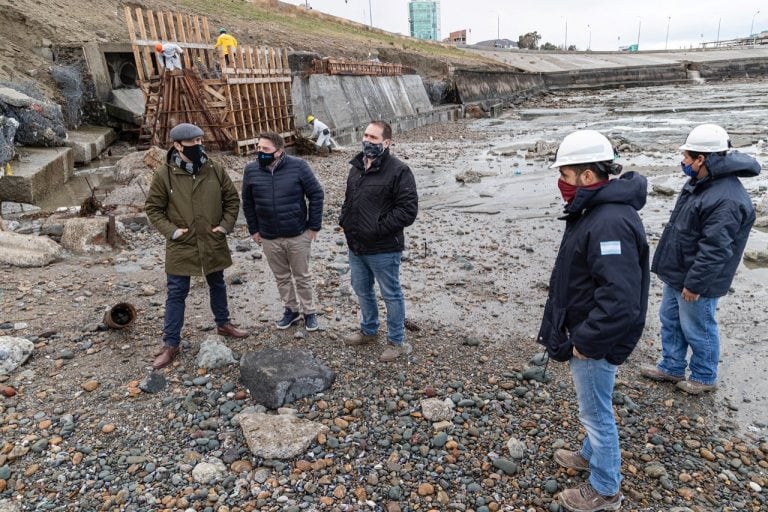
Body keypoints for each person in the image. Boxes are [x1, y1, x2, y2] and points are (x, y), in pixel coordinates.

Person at [537, 130, 649, 512]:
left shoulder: (608, 222)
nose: (561, 182)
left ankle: (605, 489)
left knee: (596, 412)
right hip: (589, 332)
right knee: (596, 404)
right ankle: (589, 454)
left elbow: (619, 300)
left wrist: (585, 340)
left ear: (588, 177)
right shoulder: (598, 211)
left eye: (565, 174)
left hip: (594, 341)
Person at [641, 124, 761, 394]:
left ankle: (704, 376)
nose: (682, 161)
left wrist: (695, 284)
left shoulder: (727, 198)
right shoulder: (700, 181)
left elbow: (716, 249)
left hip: (698, 280)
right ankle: (671, 367)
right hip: (679, 270)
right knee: (670, 319)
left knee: (698, 327)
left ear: (702, 159)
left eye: (686, 156)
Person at [145, 122, 249, 370]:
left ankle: (223, 324)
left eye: (201, 141)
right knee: (176, 293)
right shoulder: (164, 174)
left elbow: (232, 199)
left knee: (218, 283)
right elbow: (153, 209)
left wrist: (224, 226)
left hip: (212, 239)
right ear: (177, 145)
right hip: (182, 244)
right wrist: (172, 232)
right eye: (193, 143)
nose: (199, 146)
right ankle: (171, 344)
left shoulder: (214, 168)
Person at [340, 121, 418, 362]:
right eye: (365, 135)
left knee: (391, 294)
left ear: (386, 143)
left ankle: (397, 342)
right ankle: (369, 330)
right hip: (356, 246)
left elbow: (408, 211)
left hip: (383, 248)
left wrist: (377, 228)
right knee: (362, 290)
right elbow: (349, 200)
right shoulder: (357, 167)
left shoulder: (399, 170)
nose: (367, 141)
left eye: (373, 137)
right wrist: (345, 220)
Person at [242, 132, 324, 331]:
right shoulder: (251, 170)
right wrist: (254, 230)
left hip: (297, 234)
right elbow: (248, 202)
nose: (260, 152)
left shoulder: (298, 166)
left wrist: (313, 226)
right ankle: (291, 310)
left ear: (279, 152)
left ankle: (309, 312)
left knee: (302, 276)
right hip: (269, 236)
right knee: (282, 277)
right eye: (259, 148)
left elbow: (316, 194)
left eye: (265, 149)